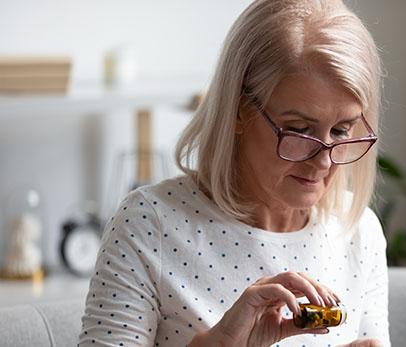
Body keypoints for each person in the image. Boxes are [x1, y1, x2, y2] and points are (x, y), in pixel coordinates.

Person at [78, 0, 389, 346]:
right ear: (239, 110)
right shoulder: (149, 225)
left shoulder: (359, 231)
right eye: (299, 129)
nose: (324, 161)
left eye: (343, 131)